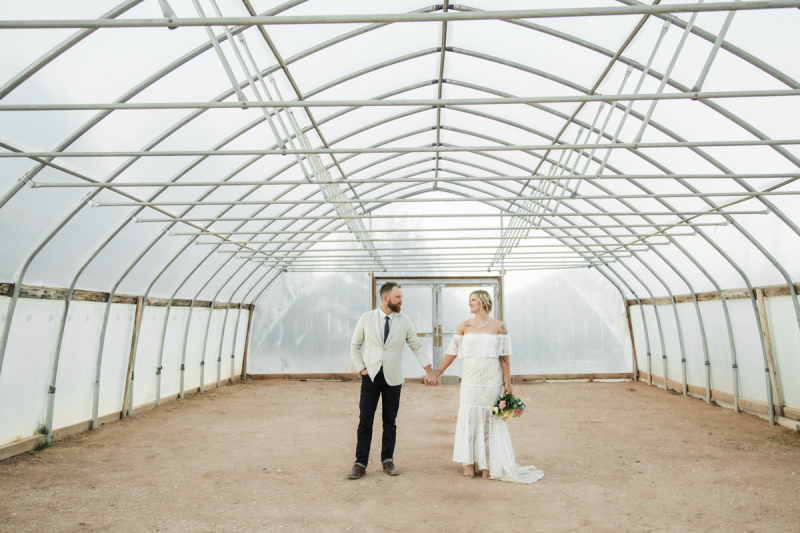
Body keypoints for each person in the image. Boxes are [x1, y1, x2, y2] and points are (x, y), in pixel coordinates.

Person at [434, 290, 543, 483]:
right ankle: (468, 462)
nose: (470, 303)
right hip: (470, 381)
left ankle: (486, 464)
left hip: (491, 381)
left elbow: (504, 356)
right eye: (469, 301)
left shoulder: (499, 326)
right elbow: (452, 352)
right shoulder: (464, 326)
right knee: (469, 419)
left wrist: (507, 382)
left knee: (488, 421)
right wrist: (437, 372)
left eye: (473, 300)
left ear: (483, 302)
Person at [348, 282, 438, 479]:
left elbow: (416, 345)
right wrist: (361, 369)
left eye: (401, 297)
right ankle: (360, 463)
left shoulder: (404, 321)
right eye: (398, 297)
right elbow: (355, 345)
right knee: (365, 420)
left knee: (390, 421)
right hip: (370, 377)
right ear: (385, 298)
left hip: (393, 378)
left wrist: (429, 370)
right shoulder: (366, 318)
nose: (401, 301)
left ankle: (387, 461)